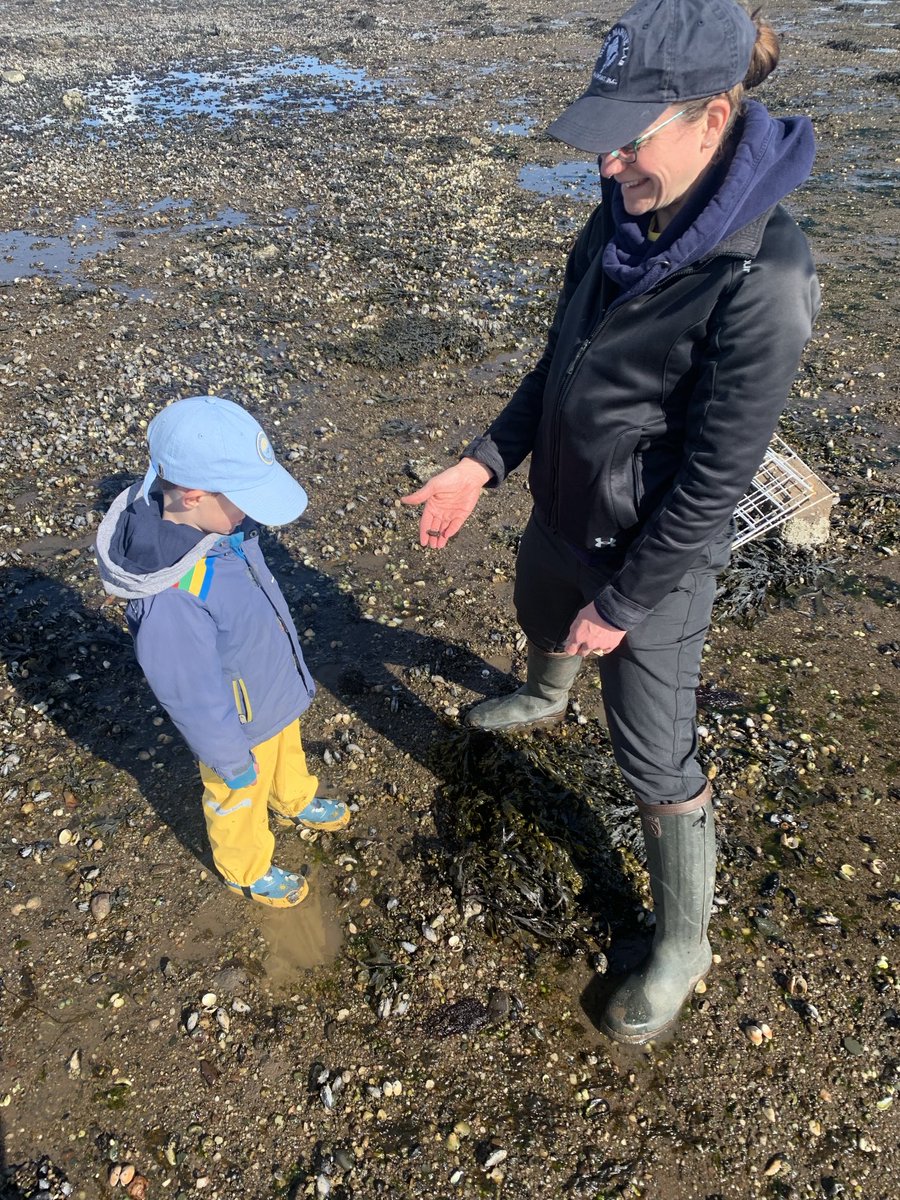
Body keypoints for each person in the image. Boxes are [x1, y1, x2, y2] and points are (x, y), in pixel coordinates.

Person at [404, 0, 819, 1042]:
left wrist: (627, 601)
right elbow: (560, 365)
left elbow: (718, 481)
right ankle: (547, 693)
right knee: (538, 603)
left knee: (655, 761)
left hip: (654, 564)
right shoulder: (622, 212)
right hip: (560, 515)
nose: (606, 167)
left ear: (713, 117)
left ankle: (684, 941)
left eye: (630, 140)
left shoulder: (765, 277)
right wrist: (483, 462)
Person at [96, 395, 350, 908]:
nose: (251, 512)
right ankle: (245, 868)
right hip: (234, 724)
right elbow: (190, 693)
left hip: (270, 684)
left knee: (286, 748)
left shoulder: (217, 526)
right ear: (191, 495)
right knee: (237, 795)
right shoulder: (169, 598)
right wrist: (229, 758)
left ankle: (293, 796)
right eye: (242, 498)